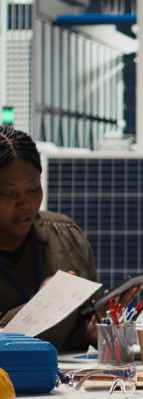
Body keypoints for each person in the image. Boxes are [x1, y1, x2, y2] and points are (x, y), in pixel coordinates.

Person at [0, 126, 98, 351]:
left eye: (33, 188)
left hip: (60, 383)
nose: (25, 203)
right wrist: (42, 306)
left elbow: (73, 336)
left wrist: (92, 331)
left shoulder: (66, 238)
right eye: (8, 192)